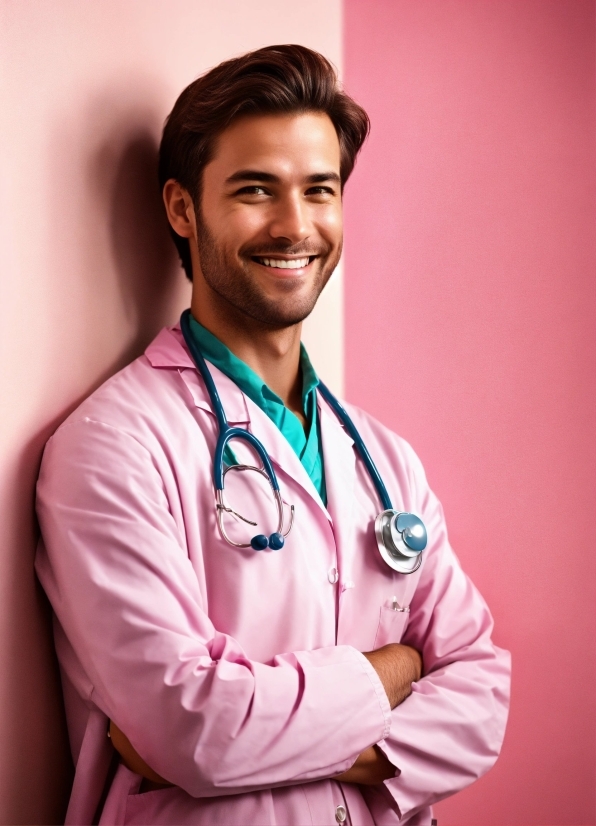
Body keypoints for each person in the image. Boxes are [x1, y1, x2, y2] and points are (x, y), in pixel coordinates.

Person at [36, 45, 511, 826]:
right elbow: (196, 729)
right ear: (184, 209)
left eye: (319, 190)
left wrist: (281, 737)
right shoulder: (114, 445)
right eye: (256, 190)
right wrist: (395, 668)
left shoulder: (384, 459)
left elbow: (481, 694)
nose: (296, 226)